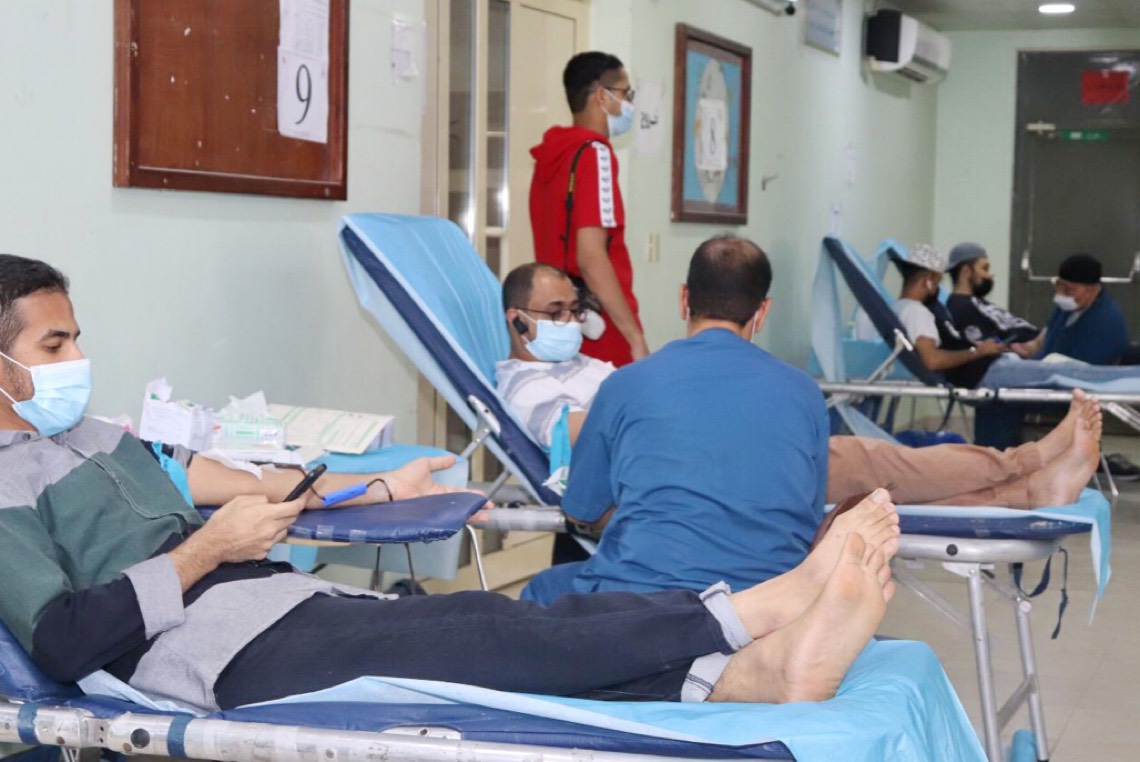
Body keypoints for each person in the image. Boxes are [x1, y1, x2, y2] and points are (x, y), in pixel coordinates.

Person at [0, 253, 899, 712]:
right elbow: (63, 641)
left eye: (77, 338)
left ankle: (750, 674)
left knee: (495, 624)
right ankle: (753, 615)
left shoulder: (105, 437)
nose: (78, 359)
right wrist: (203, 553)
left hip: (277, 603)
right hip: (211, 654)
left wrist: (383, 488)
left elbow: (265, 486)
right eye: (55, 344)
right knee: (484, 647)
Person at [495, 258, 1100, 598]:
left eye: (575, 310)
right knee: (886, 469)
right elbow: (579, 445)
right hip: (704, 459)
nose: (572, 322)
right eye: (556, 313)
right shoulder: (530, 384)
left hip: (711, 449)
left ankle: (1027, 479)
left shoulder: (611, 376)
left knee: (886, 472)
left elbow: (598, 476)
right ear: (762, 313)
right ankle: (1026, 476)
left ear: (684, 300)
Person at [528, 51, 648, 367]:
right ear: (602, 96)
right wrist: (634, 337)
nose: (629, 104)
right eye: (626, 93)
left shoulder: (550, 156)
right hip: (601, 326)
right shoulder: (595, 153)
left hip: (556, 325)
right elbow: (591, 257)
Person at [856, 243, 1007, 387]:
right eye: (937, 282)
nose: (937, 289)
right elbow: (932, 361)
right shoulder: (918, 312)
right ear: (927, 281)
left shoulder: (894, 309)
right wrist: (977, 352)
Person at [1013, 253, 1131, 366]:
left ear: (1090, 290)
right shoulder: (1069, 306)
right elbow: (1043, 340)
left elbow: (1087, 371)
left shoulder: (1105, 321)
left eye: (1069, 290)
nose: (1060, 294)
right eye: (1059, 285)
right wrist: (1029, 348)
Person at [945, 242, 1040, 356]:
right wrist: (1011, 346)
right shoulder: (960, 307)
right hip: (1011, 359)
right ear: (966, 271)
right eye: (985, 268)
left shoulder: (978, 302)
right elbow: (987, 344)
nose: (991, 275)